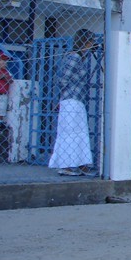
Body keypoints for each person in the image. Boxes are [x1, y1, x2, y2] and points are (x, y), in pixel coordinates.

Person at [48, 29, 97, 176]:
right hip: (71, 99)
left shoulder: (81, 58)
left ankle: (79, 164)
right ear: (85, 42)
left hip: (76, 99)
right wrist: (62, 97)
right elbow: (63, 80)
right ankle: (67, 165)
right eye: (90, 41)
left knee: (78, 132)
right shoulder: (74, 57)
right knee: (70, 133)